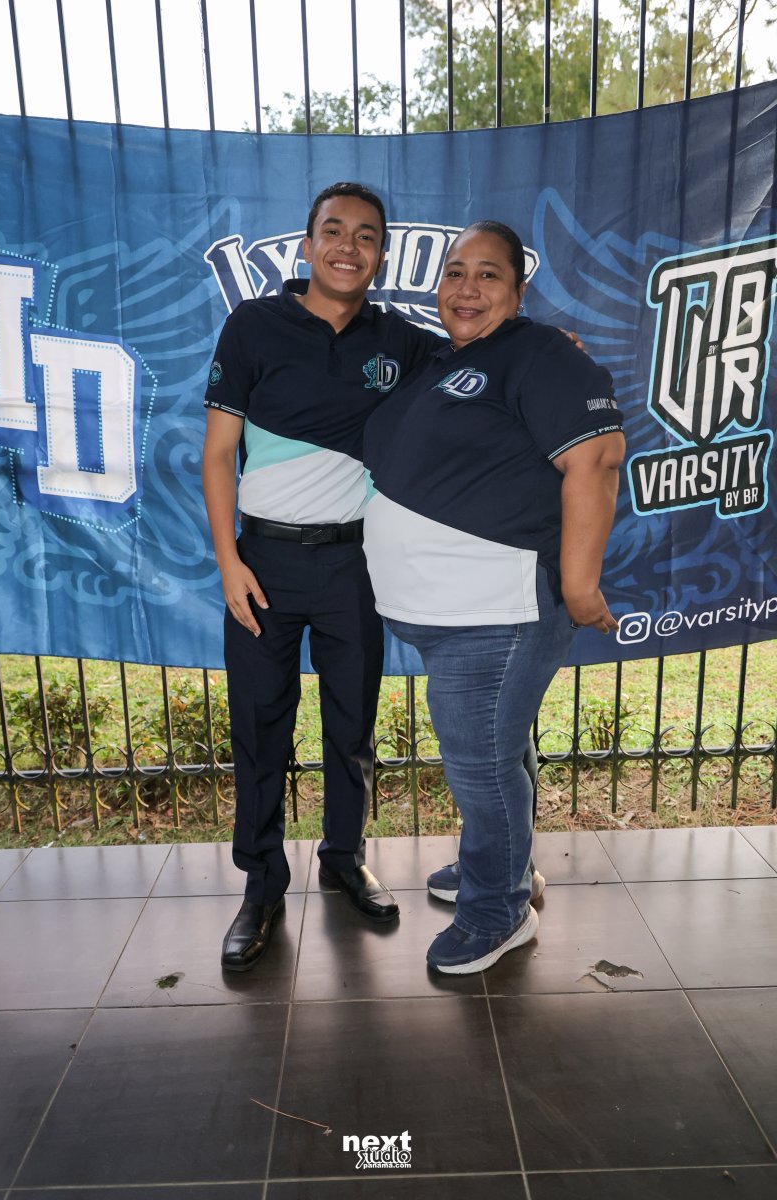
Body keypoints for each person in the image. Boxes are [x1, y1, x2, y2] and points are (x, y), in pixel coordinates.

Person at [362, 220, 625, 975]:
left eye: (488, 275)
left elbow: (597, 460)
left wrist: (579, 587)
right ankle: (504, 863)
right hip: (452, 613)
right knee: (500, 750)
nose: (467, 288)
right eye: (455, 273)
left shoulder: (540, 354)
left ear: (518, 289)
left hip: (499, 613)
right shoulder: (442, 359)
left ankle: (496, 910)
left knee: (481, 764)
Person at [202, 183, 441, 971]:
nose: (349, 246)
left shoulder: (401, 342)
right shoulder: (253, 326)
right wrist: (229, 561)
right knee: (259, 726)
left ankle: (344, 858)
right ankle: (261, 884)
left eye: (366, 235)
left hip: (353, 564)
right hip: (263, 563)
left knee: (352, 723)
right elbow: (217, 455)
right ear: (308, 247)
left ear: (381, 255)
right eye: (333, 231)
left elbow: (484, 356)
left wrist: (552, 347)